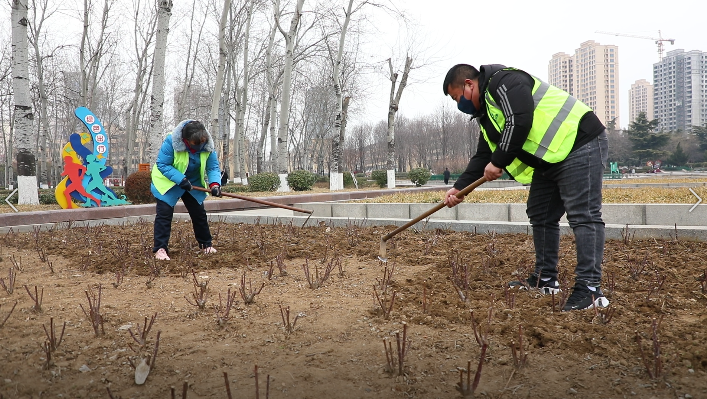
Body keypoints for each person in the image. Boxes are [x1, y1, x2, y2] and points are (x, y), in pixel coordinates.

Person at [442, 64, 609, 311]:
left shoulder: (505, 81)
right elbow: (483, 155)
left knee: (583, 215)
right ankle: (546, 280)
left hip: (578, 142)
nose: (460, 104)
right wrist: (459, 188)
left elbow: (519, 119)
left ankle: (590, 290)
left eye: (458, 97)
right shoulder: (487, 114)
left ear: (469, 84)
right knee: (540, 213)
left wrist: (499, 161)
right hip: (552, 158)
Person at [150, 120, 223, 260]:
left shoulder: (208, 145)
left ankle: (206, 245)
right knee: (164, 214)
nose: (200, 146)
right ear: (186, 140)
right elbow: (162, 164)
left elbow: (212, 167)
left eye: (202, 142)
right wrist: (180, 180)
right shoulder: (171, 141)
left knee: (199, 213)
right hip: (169, 181)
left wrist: (215, 185)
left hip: (193, 182)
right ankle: (160, 249)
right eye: (196, 144)